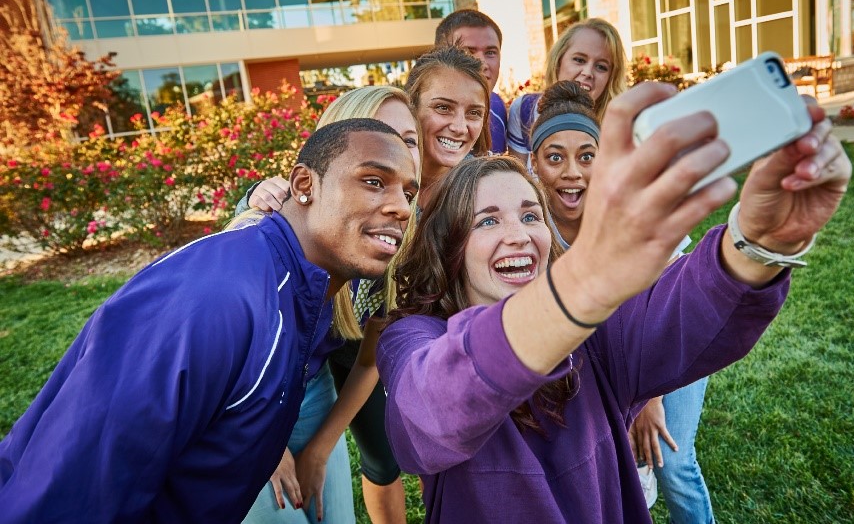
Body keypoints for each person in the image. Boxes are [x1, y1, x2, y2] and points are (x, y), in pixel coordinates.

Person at [376, 81, 852, 522]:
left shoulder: (594, 335)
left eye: (529, 214)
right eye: (487, 222)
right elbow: (432, 405)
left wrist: (759, 240)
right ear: (450, 248)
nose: (519, 235)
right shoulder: (411, 338)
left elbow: (683, 311)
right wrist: (584, 284)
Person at [0, 118, 418, 523]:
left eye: (409, 192)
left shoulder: (309, 294)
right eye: (373, 181)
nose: (401, 207)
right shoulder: (215, 297)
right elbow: (74, 489)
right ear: (305, 185)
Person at [528, 80, 708, 520]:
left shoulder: (627, 211)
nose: (572, 172)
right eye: (555, 158)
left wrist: (651, 400)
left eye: (586, 157)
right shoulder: (529, 224)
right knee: (617, 464)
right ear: (533, 164)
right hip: (605, 359)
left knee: (673, 462)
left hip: (668, 334)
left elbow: (661, 303)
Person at [240, 86, 420, 524]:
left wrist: (320, 449)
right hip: (241, 406)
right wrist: (261, 442)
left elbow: (367, 361)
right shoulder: (269, 235)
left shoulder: (392, 239)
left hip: (312, 389)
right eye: (380, 136)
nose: (399, 152)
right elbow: (220, 364)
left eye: (409, 141)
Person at [508, 18, 627, 165]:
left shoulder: (620, 128)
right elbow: (518, 181)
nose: (588, 72)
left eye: (601, 67)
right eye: (579, 60)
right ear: (558, 61)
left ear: (611, 78)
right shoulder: (524, 110)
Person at [404, 45, 490, 208]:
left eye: (474, 113)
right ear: (411, 106)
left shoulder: (489, 188)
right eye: (443, 108)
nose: (460, 128)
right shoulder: (380, 181)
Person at [435, 9, 508, 154]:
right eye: (468, 51)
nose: (482, 64)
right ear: (440, 55)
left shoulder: (497, 106)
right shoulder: (415, 118)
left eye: (490, 52)